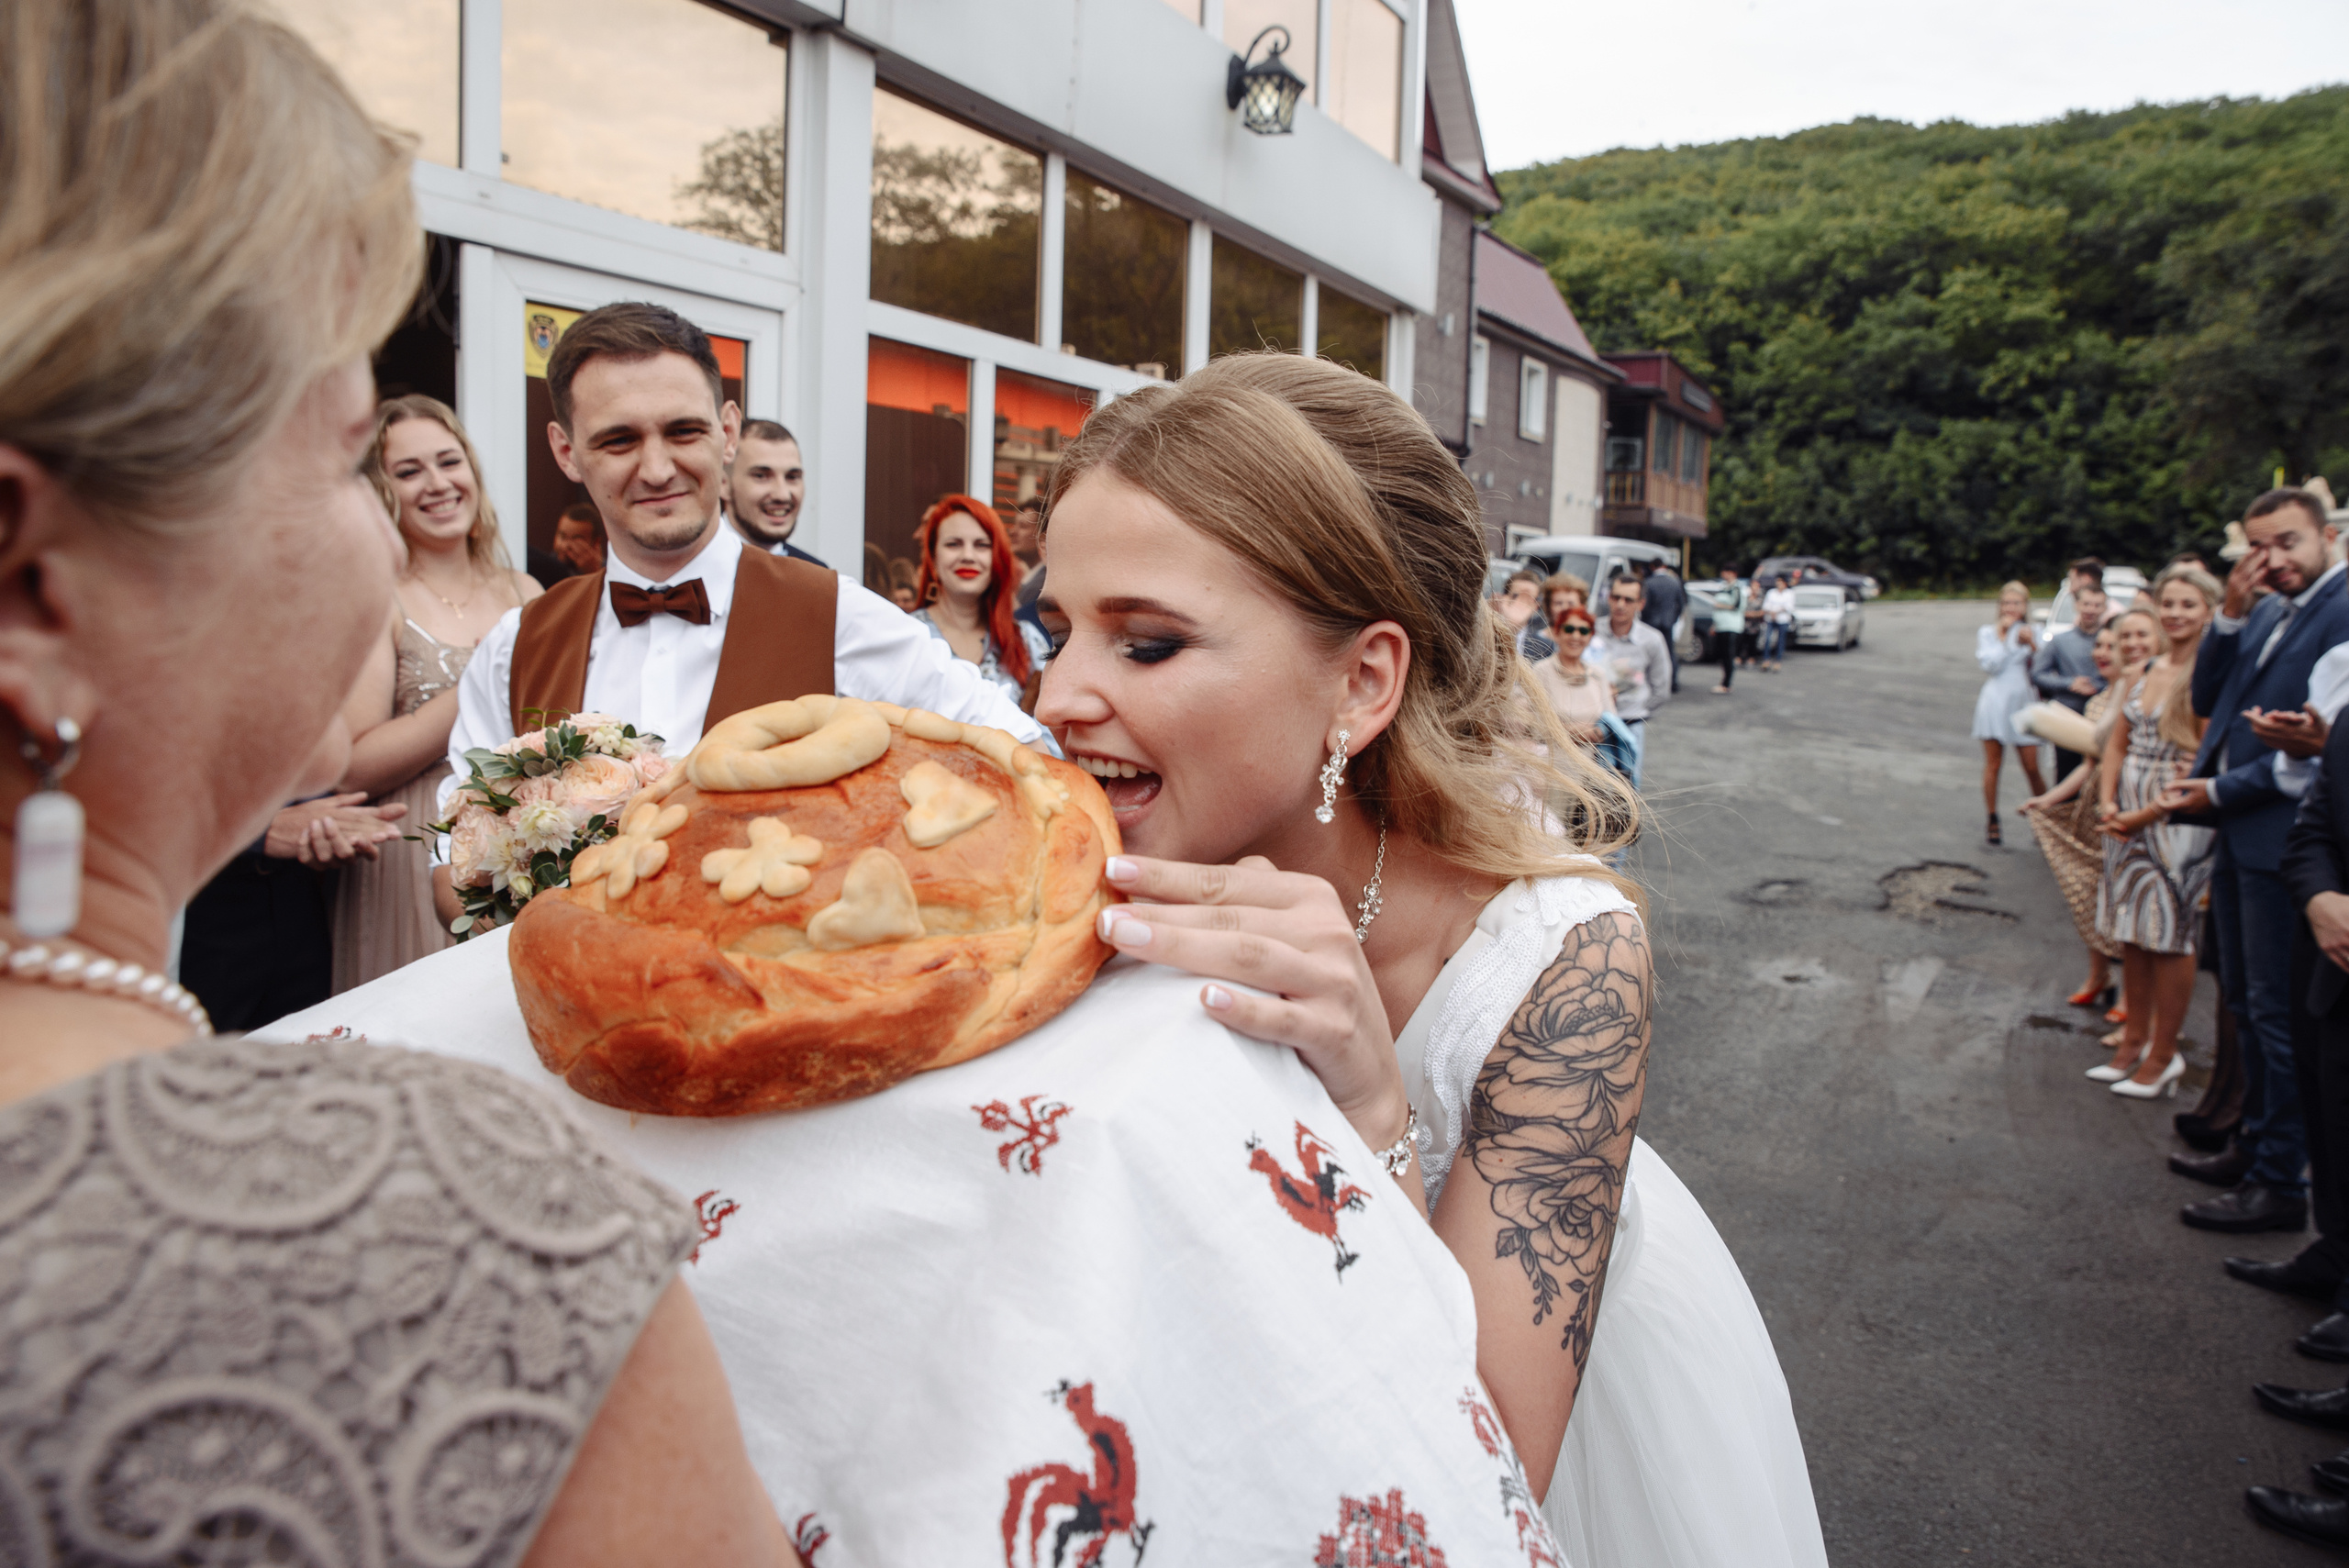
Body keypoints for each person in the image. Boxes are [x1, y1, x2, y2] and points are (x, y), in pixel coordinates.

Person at [0, 4, 789, 1561]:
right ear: (34, 587)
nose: (385, 526)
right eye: (347, 453)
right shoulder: (438, 1217)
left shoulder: (850, 622)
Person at [1033, 350, 1825, 1566]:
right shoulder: (1062, 873)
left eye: (1144, 646)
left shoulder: (1563, 960)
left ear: (1361, 681)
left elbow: (1479, 1460)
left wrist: (1366, 1101)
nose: (1054, 694)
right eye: (1056, 627)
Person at [433, 303, 1044, 920]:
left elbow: (1021, 749)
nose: (657, 467)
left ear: (728, 430)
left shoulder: (836, 614)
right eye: (618, 439)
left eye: (683, 431)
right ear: (566, 451)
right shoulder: (517, 645)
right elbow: (449, 864)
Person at [2157, 488, 2349, 1233]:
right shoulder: (2268, 607)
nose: (2272, 561)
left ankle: (2279, 1181)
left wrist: (2216, 787)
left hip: (2283, 837)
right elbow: (2210, 695)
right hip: (2239, 830)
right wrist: (2231, 617)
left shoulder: (2339, 610)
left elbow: (2315, 752)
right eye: (2258, 547)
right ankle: (2253, 1144)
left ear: (2327, 535)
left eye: (2288, 543)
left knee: (2275, 1014)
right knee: (2241, 998)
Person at [333, 395, 540, 991]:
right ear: (381, 490)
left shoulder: (525, 589)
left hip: (516, 838)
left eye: (449, 461)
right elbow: (352, 766)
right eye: (408, 470)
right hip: (415, 843)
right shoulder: (378, 597)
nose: (437, 483)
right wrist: (481, 681)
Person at [2087, 576, 2219, 1097]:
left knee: (2170, 935)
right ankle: (2131, 1043)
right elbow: (2117, 741)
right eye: (2168, 602)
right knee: (2131, 930)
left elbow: (2206, 758)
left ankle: (2165, 1055)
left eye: (2189, 604)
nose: (2176, 612)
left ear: (2210, 611)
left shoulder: (2208, 676)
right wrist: (2109, 801)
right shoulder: (2143, 670)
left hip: (2175, 817)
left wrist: (2139, 818)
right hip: (2126, 807)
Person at [2020, 626, 2125, 1011]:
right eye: (2099, 645)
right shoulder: (2097, 699)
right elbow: (2087, 766)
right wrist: (2047, 798)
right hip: (2092, 803)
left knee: (2121, 899)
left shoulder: (2134, 699)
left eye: (2113, 647)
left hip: (2122, 803)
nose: (2103, 652)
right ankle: (2098, 974)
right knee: (2091, 896)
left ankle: (2130, 991)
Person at [907, 493, 1052, 707]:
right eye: (953, 544)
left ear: (996, 558)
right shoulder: (909, 635)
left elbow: (1048, 730)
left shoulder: (1026, 640)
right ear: (933, 558)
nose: (968, 555)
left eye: (981, 545)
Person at [1973, 582, 2047, 845]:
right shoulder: (1989, 633)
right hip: (1995, 702)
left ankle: (2045, 820)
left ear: (2025, 606)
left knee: (2031, 766)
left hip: (2024, 701)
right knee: (1993, 764)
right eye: (2006, 603)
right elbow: (1990, 665)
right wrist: (2004, 638)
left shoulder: (2035, 631)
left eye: (2016, 603)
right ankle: (1992, 818)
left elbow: (2044, 667)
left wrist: (2033, 645)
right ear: (2000, 606)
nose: (2011, 608)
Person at [1591, 573, 1675, 789]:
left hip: (1631, 725)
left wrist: (1639, 711)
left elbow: (1661, 688)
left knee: (1626, 795)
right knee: (1591, 793)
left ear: (1641, 604)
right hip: (1591, 726)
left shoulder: (1652, 639)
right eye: (1616, 597)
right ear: (1608, 598)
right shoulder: (1590, 630)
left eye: (1628, 600)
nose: (1620, 605)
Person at [2032, 579, 2110, 778]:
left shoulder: (2110, 641)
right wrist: (2069, 683)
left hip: (2103, 719)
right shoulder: (2061, 640)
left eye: (2097, 605)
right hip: (2068, 716)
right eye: (2086, 604)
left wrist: (2097, 686)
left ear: (2105, 607)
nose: (2091, 609)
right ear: (2077, 605)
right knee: (2065, 775)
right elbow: (2038, 674)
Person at [726, 416, 826, 566]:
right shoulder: (688, 565)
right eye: (761, 476)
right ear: (723, 484)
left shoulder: (817, 575)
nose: (782, 495)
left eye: (792, 477)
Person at [1530, 606, 1616, 741]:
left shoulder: (1597, 675)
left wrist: (1598, 733)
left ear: (1590, 637)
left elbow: (1611, 721)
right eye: (1569, 630)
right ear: (1557, 634)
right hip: (1552, 756)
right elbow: (1531, 722)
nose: (1576, 636)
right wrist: (1572, 732)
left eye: (1583, 631)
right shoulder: (1541, 671)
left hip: (1592, 757)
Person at [1638, 558, 1687, 695]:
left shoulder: (1649, 583)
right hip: (1667, 622)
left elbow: (1645, 606)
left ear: (1653, 567)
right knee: (1669, 652)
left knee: (1650, 652)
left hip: (1651, 622)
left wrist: (1644, 620)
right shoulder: (1674, 582)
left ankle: (1650, 681)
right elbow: (1681, 604)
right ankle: (1673, 682)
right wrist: (1673, 619)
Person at [1493, 564, 1557, 662]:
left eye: (1528, 599)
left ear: (1536, 605)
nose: (1520, 604)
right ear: (1504, 598)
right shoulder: (1487, 636)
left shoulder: (1544, 646)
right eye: (1516, 596)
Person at [1707, 569, 1747, 694]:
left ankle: (1726, 684)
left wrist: (1720, 606)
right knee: (1723, 655)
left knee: (1728, 655)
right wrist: (1714, 625)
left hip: (1731, 626)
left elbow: (1737, 606)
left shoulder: (1736, 588)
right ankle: (1725, 682)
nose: (1723, 574)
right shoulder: (1724, 587)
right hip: (1721, 625)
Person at [553, 499, 607, 576]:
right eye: (562, 537)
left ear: (596, 542)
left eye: (576, 539)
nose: (565, 546)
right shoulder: (543, 567)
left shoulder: (610, 573)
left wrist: (594, 574)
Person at [1760, 573, 1797, 671]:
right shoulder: (1771, 593)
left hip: (1783, 619)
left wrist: (1777, 611)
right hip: (1770, 619)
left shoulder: (1789, 593)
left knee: (1780, 641)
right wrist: (1771, 612)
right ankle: (1766, 659)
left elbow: (1790, 607)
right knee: (1767, 639)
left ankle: (1778, 661)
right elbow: (1765, 605)